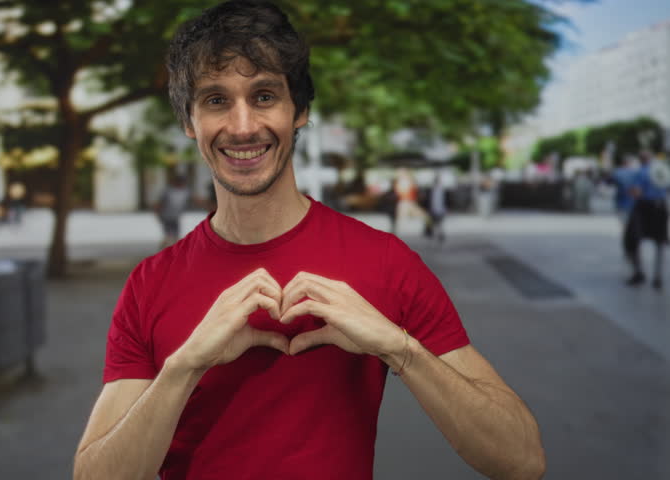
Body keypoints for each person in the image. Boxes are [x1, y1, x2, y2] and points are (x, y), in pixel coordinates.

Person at [74, 2, 545, 479]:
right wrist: (184, 367)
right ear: (189, 122)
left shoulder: (385, 262)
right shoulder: (149, 284)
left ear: (299, 111)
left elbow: (522, 459)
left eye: (263, 96)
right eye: (216, 100)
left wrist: (400, 349)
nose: (242, 127)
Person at [624, 151, 669, 289]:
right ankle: (658, 277)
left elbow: (636, 192)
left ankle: (639, 272)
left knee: (632, 240)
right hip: (660, 207)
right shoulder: (663, 170)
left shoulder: (641, 172)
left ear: (641, 160)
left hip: (644, 208)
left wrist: (630, 192)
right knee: (659, 242)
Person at [154, 173, 191, 249]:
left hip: (176, 216)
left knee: (175, 235)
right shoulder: (168, 191)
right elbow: (160, 203)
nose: (181, 184)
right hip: (166, 216)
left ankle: (170, 249)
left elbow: (193, 199)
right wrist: (157, 213)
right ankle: (165, 249)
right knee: (169, 235)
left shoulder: (185, 191)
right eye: (180, 182)